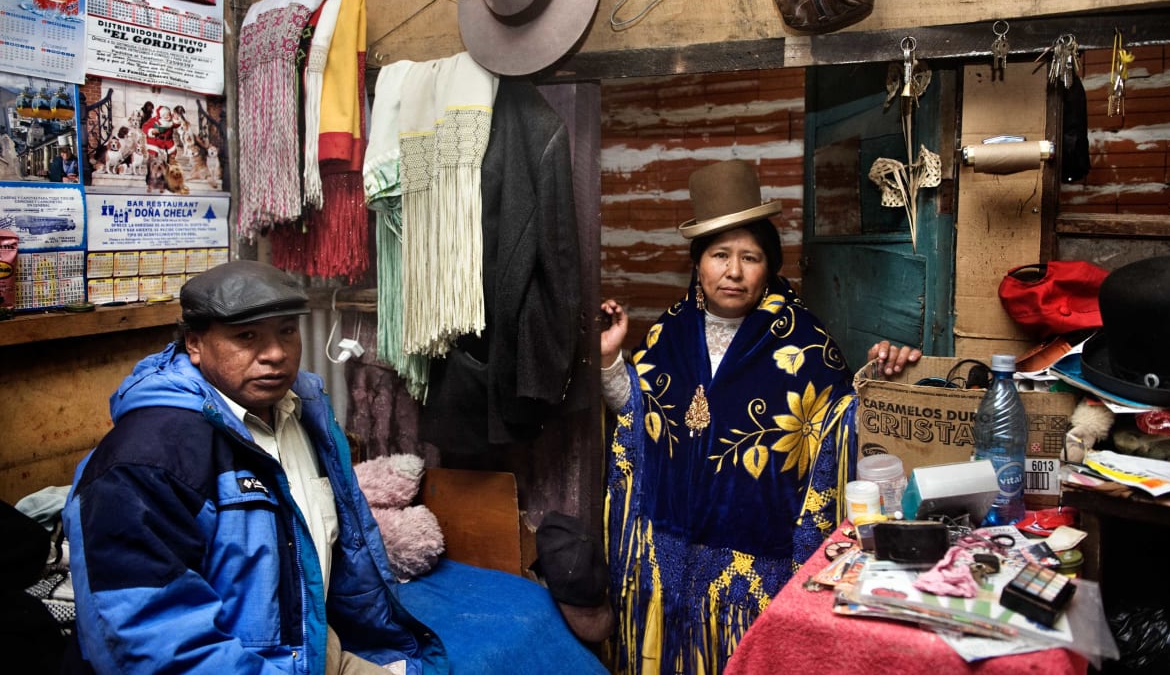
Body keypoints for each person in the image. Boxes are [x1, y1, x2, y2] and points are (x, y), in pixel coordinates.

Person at [62, 260, 608, 675]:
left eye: (285, 331)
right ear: (196, 345)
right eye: (247, 337)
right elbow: (146, 638)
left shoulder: (305, 413)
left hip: (315, 646)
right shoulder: (146, 458)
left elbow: (344, 549)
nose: (275, 353)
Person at [599, 159, 920, 674]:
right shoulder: (668, 335)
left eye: (750, 257)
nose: (733, 271)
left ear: (769, 267)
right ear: (697, 264)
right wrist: (613, 360)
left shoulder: (805, 345)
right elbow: (640, 424)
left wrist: (883, 383)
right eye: (719, 255)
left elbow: (840, 433)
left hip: (755, 574)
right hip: (667, 555)